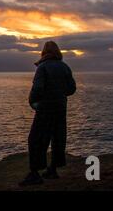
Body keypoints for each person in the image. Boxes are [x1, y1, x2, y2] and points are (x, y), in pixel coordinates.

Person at [20, 41, 76, 185]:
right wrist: (59, 94)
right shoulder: (64, 67)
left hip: (45, 108)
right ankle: (53, 170)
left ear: (44, 52)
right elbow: (71, 89)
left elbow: (37, 88)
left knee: (36, 139)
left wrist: (33, 102)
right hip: (60, 107)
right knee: (57, 138)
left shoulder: (43, 67)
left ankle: (35, 174)